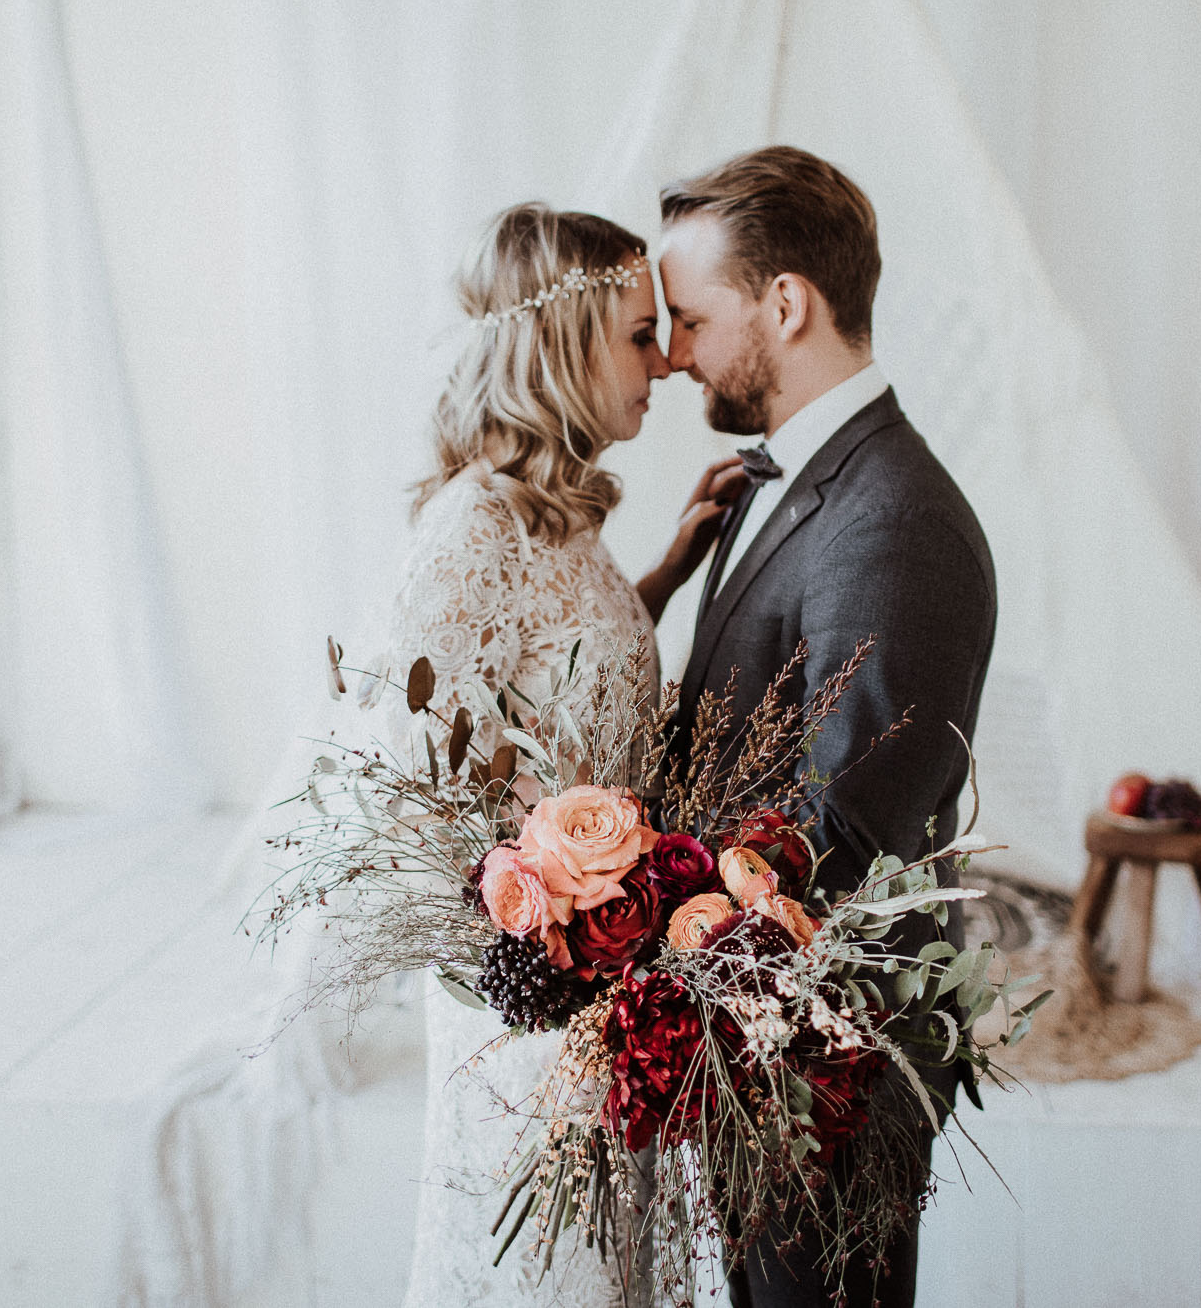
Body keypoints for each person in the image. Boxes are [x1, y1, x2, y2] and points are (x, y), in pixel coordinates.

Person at [659, 146, 998, 1308]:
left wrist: (628, 907)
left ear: (785, 303)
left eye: (692, 317)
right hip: (760, 1027)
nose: (673, 353)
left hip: (829, 1055)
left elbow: (837, 825)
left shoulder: (890, 517)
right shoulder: (799, 481)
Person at [389, 202, 738, 1308]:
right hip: (527, 1016)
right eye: (640, 333)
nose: (666, 360)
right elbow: (422, 771)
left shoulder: (558, 520)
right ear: (564, 339)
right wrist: (557, 935)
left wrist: (667, 572)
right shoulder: (472, 528)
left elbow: (547, 690)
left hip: (597, 999)